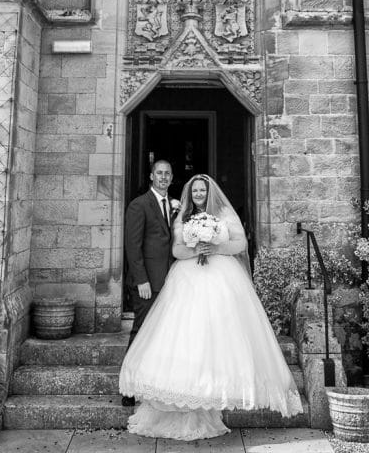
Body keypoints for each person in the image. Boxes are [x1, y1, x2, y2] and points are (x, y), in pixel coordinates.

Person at [119, 174, 303, 440]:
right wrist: (197, 250)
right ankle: (187, 392)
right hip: (187, 278)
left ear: (209, 191)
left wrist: (214, 246)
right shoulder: (182, 216)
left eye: (202, 190)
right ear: (189, 192)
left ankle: (213, 392)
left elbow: (240, 244)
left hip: (221, 276)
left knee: (217, 331)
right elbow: (177, 251)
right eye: (194, 190)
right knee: (186, 333)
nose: (198, 194)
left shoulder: (224, 213)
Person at [121, 159, 175, 406]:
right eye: (159, 173)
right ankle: (127, 389)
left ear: (171, 178)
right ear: (151, 176)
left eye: (167, 174)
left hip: (169, 282)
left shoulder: (174, 206)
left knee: (161, 335)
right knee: (140, 332)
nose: (163, 177)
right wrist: (141, 279)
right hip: (147, 284)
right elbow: (133, 247)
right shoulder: (139, 205)